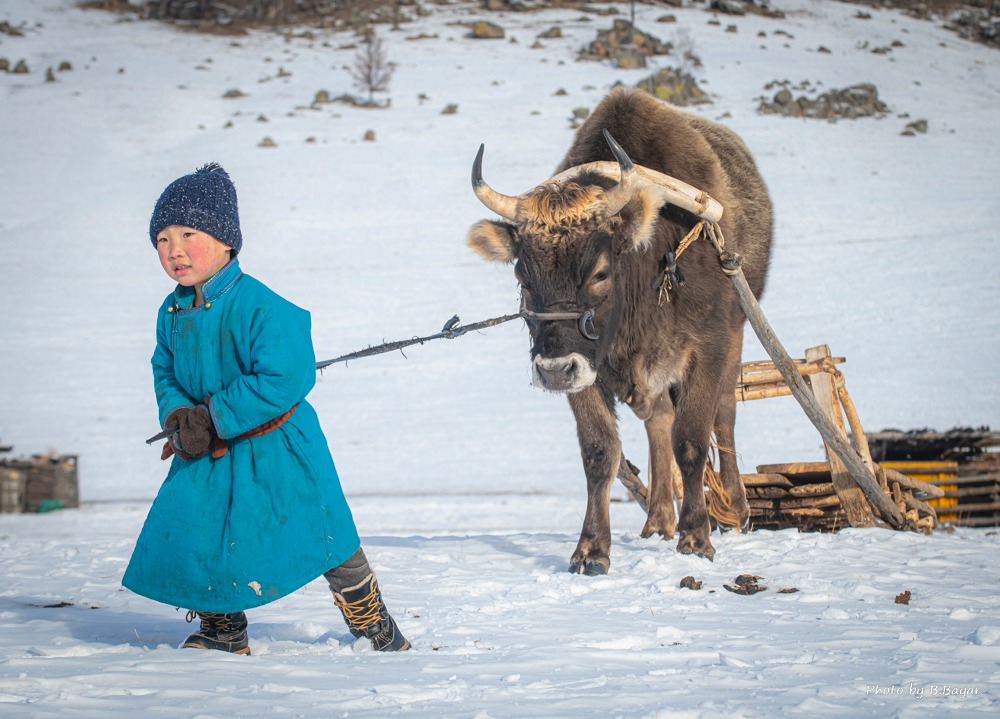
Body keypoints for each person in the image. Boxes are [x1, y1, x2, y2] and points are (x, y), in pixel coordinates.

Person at [123, 163, 410, 655]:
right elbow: (163, 369)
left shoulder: (261, 305)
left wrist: (212, 417)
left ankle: (373, 625)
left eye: (188, 233)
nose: (174, 250)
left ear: (226, 240)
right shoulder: (170, 312)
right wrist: (178, 417)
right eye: (162, 239)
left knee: (324, 533)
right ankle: (222, 630)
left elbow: (285, 377)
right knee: (199, 530)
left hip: (277, 445)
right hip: (205, 448)